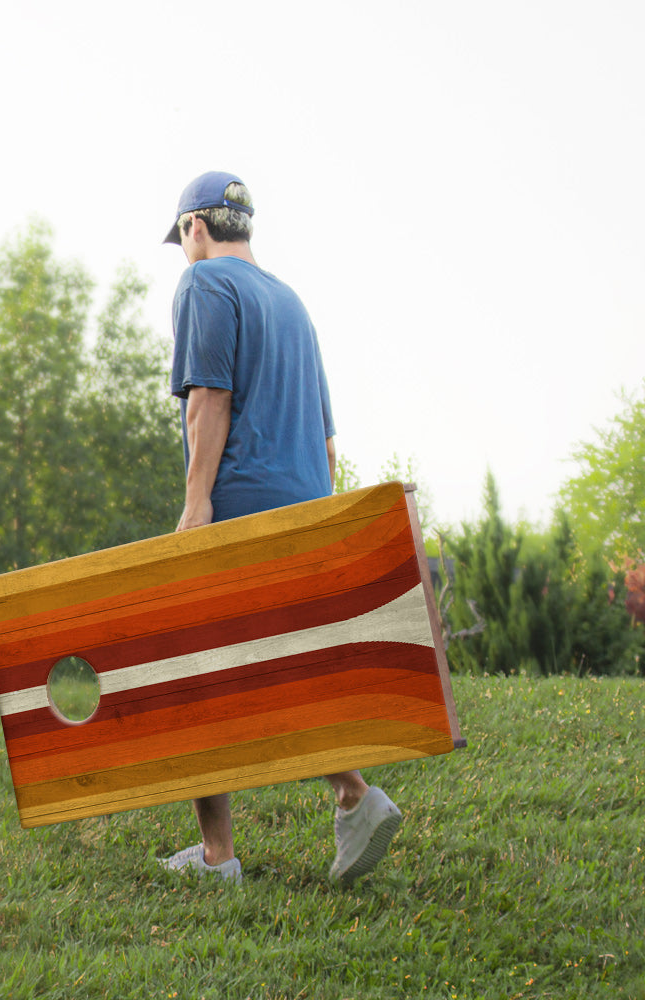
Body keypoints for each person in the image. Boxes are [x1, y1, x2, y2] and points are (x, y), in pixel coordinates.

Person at [158, 171, 402, 886]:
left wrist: (197, 502)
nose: (181, 249)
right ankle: (355, 794)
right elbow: (327, 439)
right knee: (278, 668)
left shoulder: (205, 285)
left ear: (196, 227)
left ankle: (217, 857)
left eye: (179, 236)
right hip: (305, 502)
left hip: (239, 498)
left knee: (198, 670)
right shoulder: (293, 304)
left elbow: (210, 398)